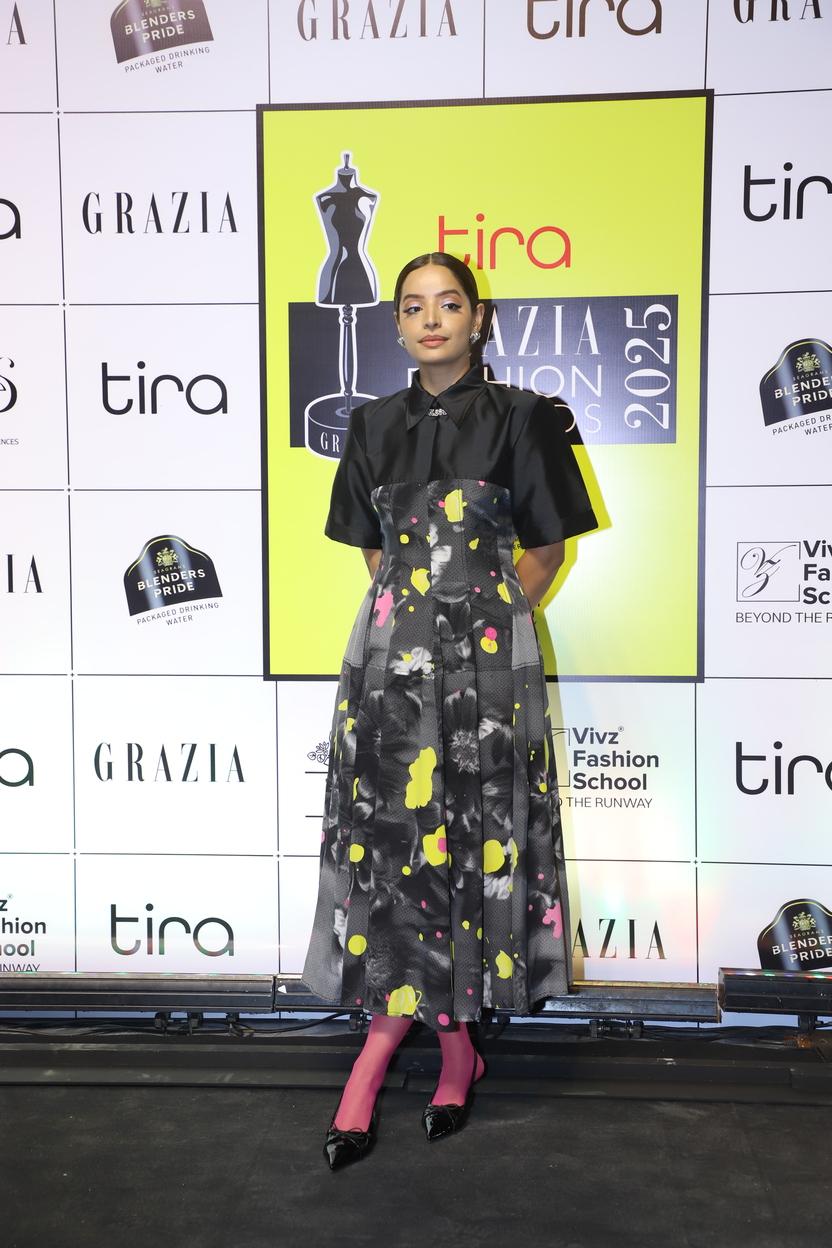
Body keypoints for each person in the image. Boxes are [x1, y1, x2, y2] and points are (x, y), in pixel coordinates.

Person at [302, 252, 599, 1170]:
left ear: (478, 318)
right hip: (388, 672)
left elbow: (547, 550)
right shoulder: (370, 425)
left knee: (471, 843)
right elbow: (376, 556)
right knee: (395, 847)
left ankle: (420, 1056)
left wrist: (484, 625)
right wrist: (415, 624)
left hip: (488, 672)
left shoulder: (523, 417)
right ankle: (423, 1048)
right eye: (413, 307)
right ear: (397, 325)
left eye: (449, 303)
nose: (431, 319)